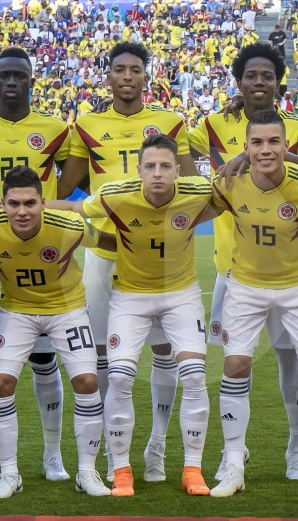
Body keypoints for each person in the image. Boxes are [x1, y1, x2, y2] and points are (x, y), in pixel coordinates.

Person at [58, 42, 197, 482]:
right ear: (108, 76)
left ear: (145, 77)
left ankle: (156, 445)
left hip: (159, 258)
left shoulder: (171, 123)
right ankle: (107, 452)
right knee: (103, 356)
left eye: (135, 69)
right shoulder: (87, 125)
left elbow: (193, 186)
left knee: (165, 353)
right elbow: (66, 191)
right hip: (104, 254)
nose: (127, 76)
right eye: (119, 69)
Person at [49, 135, 211, 497]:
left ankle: (192, 469)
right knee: (120, 378)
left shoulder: (199, 193)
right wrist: (26, 204)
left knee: (196, 375)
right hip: (131, 296)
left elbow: (240, 192)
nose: (157, 173)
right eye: (150, 166)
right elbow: (75, 211)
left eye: (165, 166)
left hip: (181, 295)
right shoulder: (115, 195)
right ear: (139, 170)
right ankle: (121, 470)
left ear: (178, 171)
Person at [190, 43, 298, 483]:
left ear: (278, 81)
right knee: (231, 361)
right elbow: (181, 159)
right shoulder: (211, 124)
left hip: (289, 270)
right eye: (251, 76)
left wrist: (263, 155)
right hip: (232, 267)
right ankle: (235, 449)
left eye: (267, 75)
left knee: (294, 362)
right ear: (238, 81)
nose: (259, 82)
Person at [0, 47, 72, 484]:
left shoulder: (55, 129)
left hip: (40, 261)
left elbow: (74, 174)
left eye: (19, 76)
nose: (11, 82)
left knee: (44, 363)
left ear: (31, 80)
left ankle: (52, 455)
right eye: (3, 75)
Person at [0, 166, 112, 498]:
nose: (22, 211)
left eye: (29, 203)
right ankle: (10, 474)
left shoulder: (69, 225)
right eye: (13, 203)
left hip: (67, 309)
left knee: (87, 382)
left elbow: (106, 242)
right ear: (1, 203)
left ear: (43, 203)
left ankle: (87, 473)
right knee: (1, 383)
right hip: (16, 309)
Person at [209, 110, 298, 498]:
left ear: (286, 146)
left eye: (274, 142)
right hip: (244, 287)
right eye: (256, 143)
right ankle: (233, 463)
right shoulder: (227, 184)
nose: (266, 149)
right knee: (234, 364)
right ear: (244, 147)